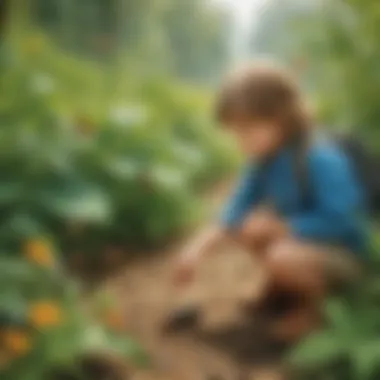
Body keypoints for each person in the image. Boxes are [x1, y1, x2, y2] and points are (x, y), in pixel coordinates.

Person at [173, 61, 369, 342]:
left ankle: (318, 312)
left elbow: (345, 219)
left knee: (281, 253)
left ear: (281, 119)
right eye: (236, 132)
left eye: (248, 130)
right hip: (305, 247)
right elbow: (234, 211)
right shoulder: (264, 161)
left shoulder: (319, 156)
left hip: (345, 257)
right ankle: (280, 291)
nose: (241, 142)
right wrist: (196, 249)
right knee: (248, 228)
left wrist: (284, 228)